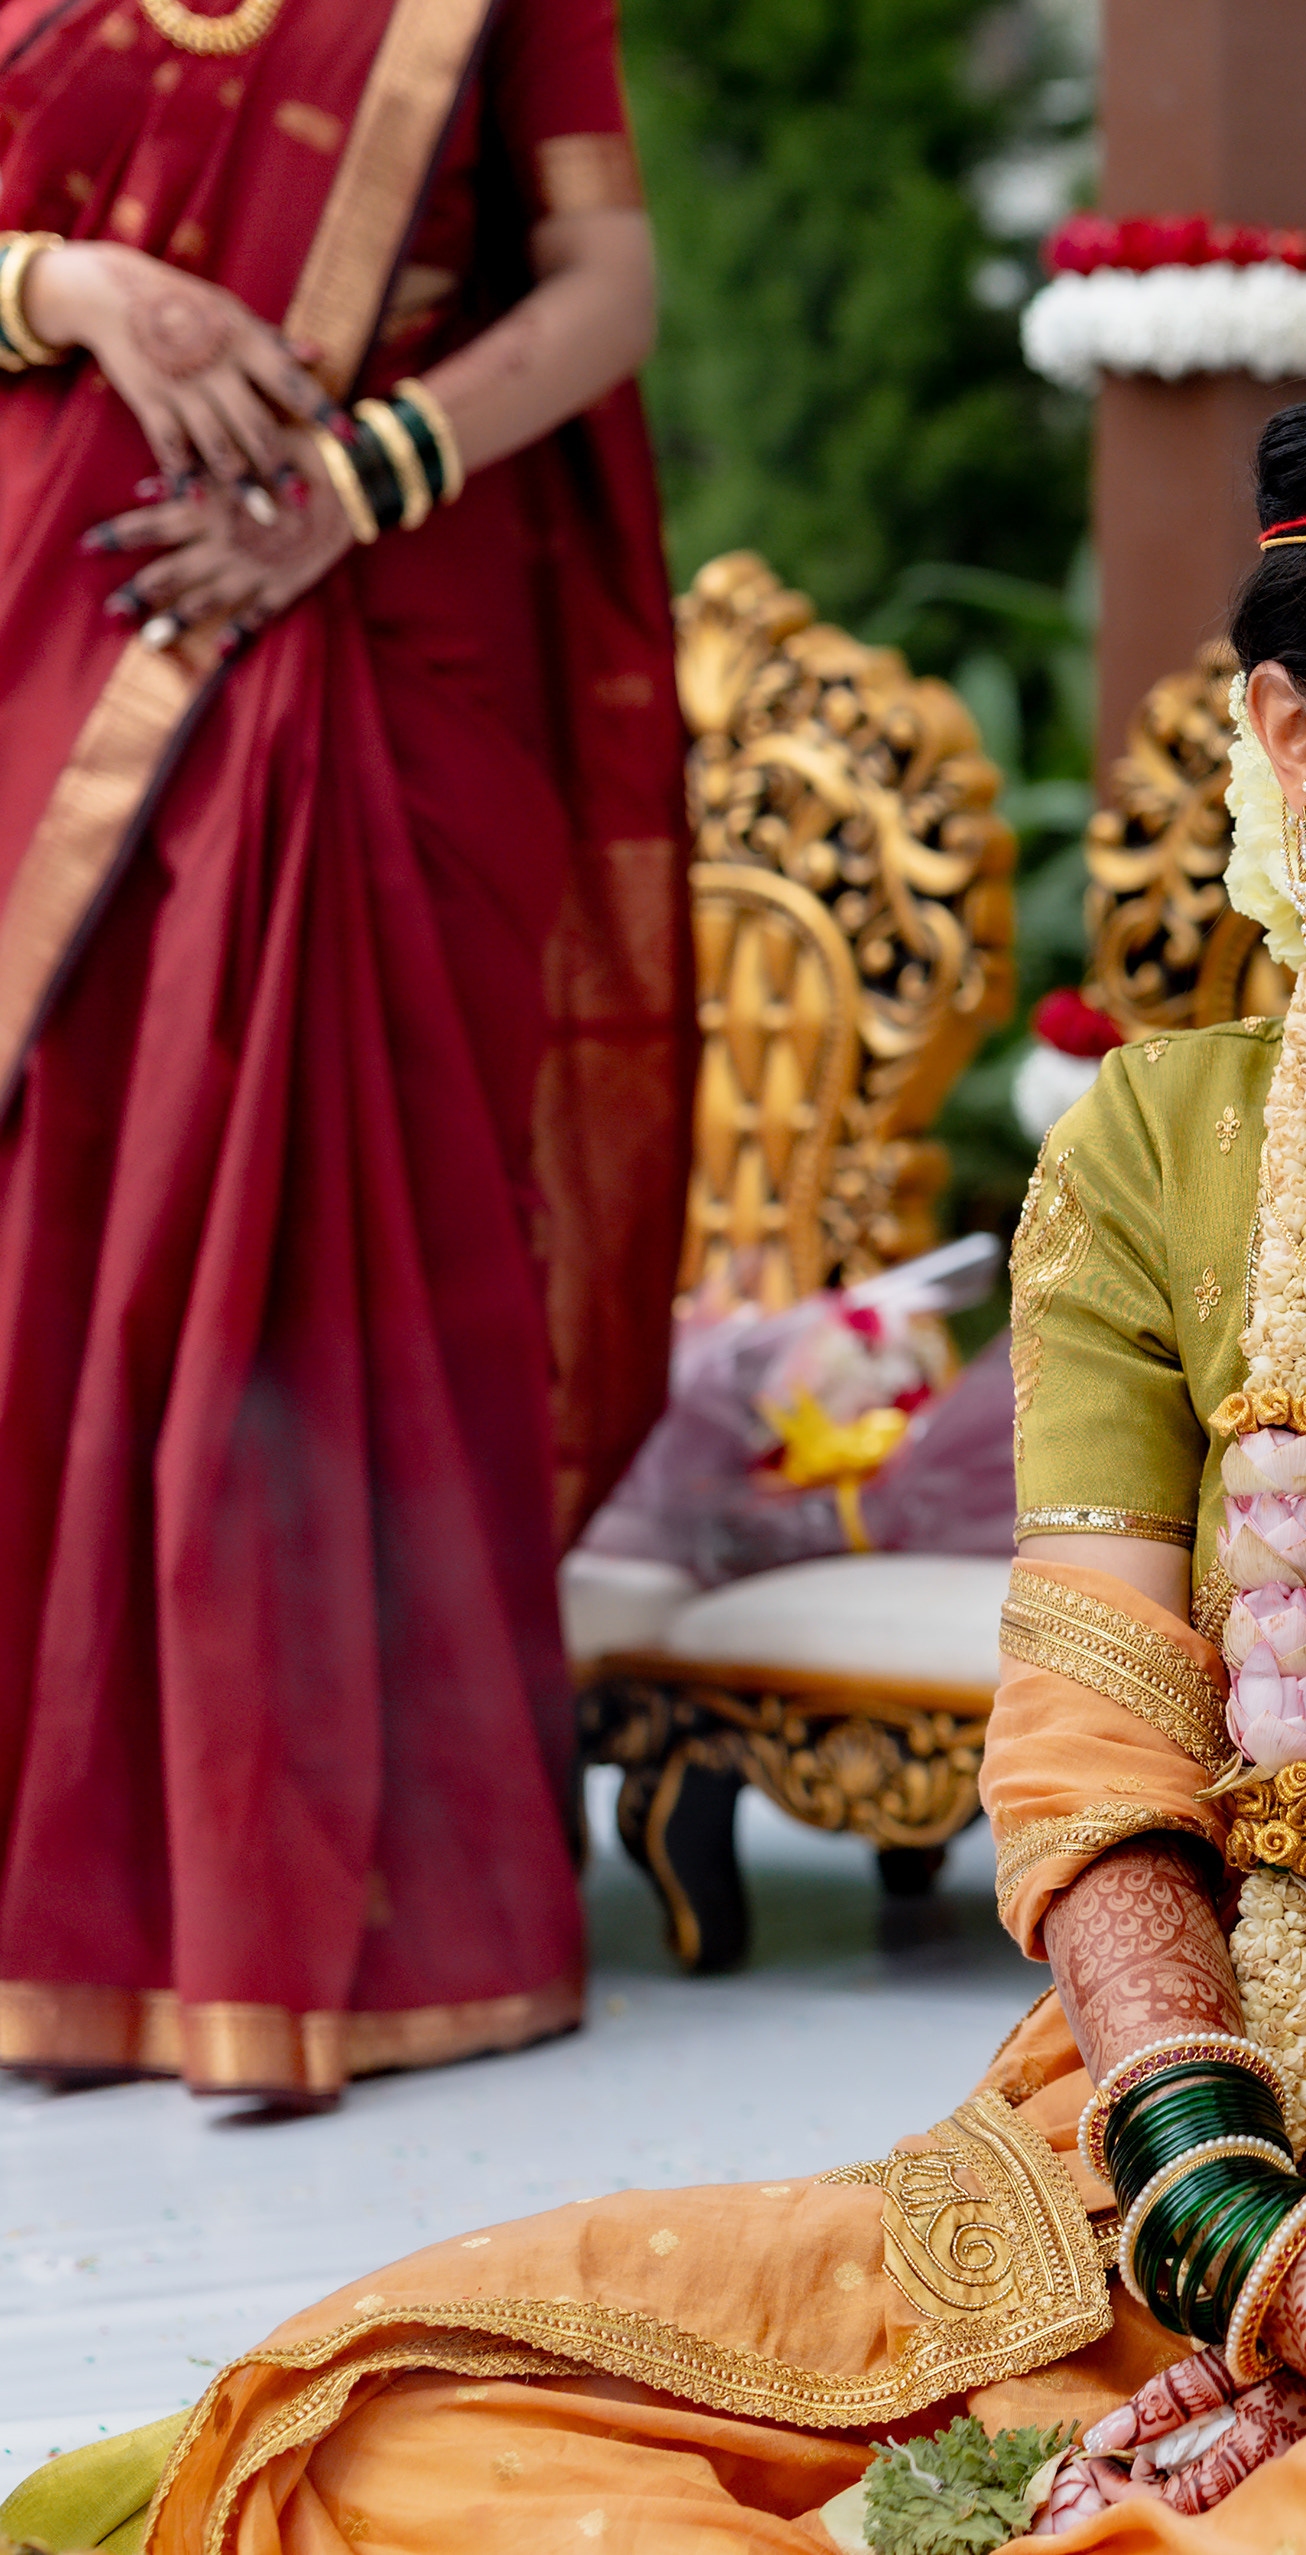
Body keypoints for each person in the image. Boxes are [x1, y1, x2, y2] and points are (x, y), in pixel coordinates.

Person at [2, 343, 1306, 2555]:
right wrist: (1235, 2223)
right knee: (404, 2429)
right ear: (1300, 732)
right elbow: (1100, 1739)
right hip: (1181, 2146)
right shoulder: (1161, 1150)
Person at [0, 0, 688, 2104]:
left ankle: (331, 1930)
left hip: (377, 630)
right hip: (51, 638)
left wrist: (348, 479)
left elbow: (607, 282)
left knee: (321, 1273)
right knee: (50, 1253)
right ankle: (58, 1924)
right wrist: (68, 285)